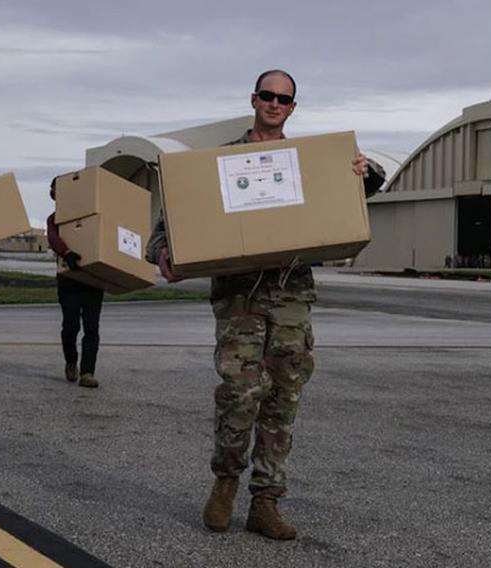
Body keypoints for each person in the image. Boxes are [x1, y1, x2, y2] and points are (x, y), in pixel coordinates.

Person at [145, 70, 386, 539]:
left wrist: (365, 171)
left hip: (291, 300)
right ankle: (225, 483)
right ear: (254, 99)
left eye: (284, 98)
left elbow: (356, 189)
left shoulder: (307, 164)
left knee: (283, 400)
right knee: (239, 395)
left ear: (293, 108)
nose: (275, 103)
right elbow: (166, 226)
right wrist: (162, 252)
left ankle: (266, 501)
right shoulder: (219, 163)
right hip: (240, 303)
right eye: (267, 96)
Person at [46, 177, 103, 388]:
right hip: (68, 280)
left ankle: (87, 372)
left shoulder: (92, 215)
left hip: (93, 279)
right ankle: (71, 361)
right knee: (70, 326)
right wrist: (66, 252)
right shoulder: (55, 218)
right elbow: (52, 237)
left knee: (92, 328)